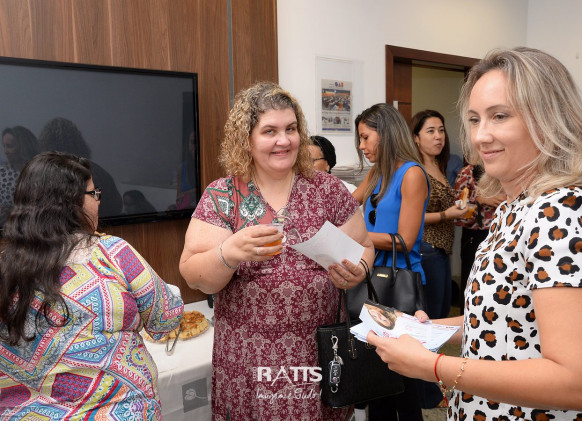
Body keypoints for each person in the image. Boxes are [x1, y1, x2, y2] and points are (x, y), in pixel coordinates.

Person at [367, 47, 582, 420]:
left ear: (548, 117)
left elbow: (573, 380)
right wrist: (426, 329)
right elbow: (502, 320)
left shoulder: (558, 210)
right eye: (473, 119)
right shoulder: (516, 207)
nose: (481, 136)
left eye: (500, 116)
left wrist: (433, 367)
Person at [179, 81, 375, 421]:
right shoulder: (224, 196)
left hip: (319, 356)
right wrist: (229, 252)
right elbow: (195, 276)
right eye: (269, 131)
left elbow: (365, 247)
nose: (284, 140)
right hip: (248, 364)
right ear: (246, 139)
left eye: (291, 129)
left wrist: (359, 271)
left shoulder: (327, 189)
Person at [0, 151, 184, 419]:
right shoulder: (114, 254)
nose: (99, 201)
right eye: (94, 194)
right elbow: (165, 320)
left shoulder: (5, 269)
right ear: (70, 202)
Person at [351, 103, 429, 421]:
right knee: (377, 377)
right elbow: (346, 204)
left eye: (366, 137)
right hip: (373, 279)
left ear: (385, 134)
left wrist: (359, 236)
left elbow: (404, 241)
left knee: (403, 382)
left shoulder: (411, 174)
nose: (361, 146)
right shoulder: (377, 173)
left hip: (399, 282)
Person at [409, 110, 472, 321]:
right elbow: (411, 217)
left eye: (441, 130)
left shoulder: (437, 165)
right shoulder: (415, 170)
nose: (438, 136)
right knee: (432, 315)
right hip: (426, 248)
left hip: (441, 249)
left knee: (442, 309)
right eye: (431, 131)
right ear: (416, 138)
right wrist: (446, 214)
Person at [38, 117, 123, 217]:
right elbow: (116, 206)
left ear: (46, 144)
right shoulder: (99, 172)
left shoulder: (43, 176)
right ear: (79, 142)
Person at [453, 163, 504, 313]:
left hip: (504, 234)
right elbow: (458, 214)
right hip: (475, 237)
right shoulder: (467, 173)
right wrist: (479, 200)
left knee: (498, 286)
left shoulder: (508, 167)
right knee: (472, 286)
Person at [0, 126, 40, 225]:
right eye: (4, 146)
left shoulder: (39, 175)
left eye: (10, 146)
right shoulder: (2, 173)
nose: (5, 151)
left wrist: (13, 213)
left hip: (30, 229)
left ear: (23, 147)